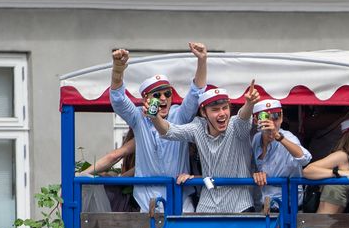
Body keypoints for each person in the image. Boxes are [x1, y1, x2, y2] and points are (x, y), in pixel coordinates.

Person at [108, 43, 208, 215]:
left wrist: (202, 60)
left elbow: (197, 92)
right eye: (157, 95)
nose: (163, 98)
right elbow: (117, 98)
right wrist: (118, 70)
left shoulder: (180, 115)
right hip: (148, 202)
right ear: (145, 98)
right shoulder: (138, 116)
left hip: (180, 198)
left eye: (167, 94)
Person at [147, 82, 266, 213]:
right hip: (206, 207)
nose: (222, 113)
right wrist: (154, 117)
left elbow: (243, 117)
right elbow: (169, 131)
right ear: (203, 112)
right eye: (215, 110)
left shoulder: (235, 126)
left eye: (225, 108)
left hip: (239, 207)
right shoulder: (198, 127)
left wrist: (249, 104)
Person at [301, 114, 349, 212]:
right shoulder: (342, 156)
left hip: (340, 222)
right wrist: (339, 173)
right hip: (324, 223)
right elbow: (307, 171)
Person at [253, 98, 312, 211]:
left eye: (275, 116)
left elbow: (306, 158)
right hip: (264, 207)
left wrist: (277, 136)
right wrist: (256, 174)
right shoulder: (256, 138)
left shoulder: (288, 137)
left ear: (281, 118)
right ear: (256, 120)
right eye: (265, 117)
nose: (271, 122)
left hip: (289, 208)